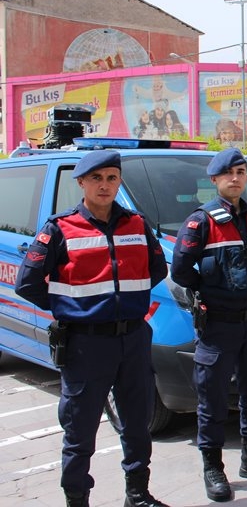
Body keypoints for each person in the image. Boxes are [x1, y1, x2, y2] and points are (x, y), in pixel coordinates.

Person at [15, 150, 169, 507]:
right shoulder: (60, 228)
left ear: (119, 182)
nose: (104, 185)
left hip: (133, 337)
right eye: (96, 178)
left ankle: (138, 494)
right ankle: (77, 498)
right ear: (81, 182)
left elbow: (157, 270)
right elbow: (28, 284)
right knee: (80, 428)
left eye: (112, 178)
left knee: (137, 421)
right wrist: (72, 308)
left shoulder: (136, 224)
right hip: (86, 344)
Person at [171, 148, 247, 501]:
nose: (235, 178)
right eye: (228, 173)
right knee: (213, 398)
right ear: (215, 179)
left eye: (241, 172)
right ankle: (213, 466)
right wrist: (210, 293)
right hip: (219, 324)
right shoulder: (201, 222)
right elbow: (180, 271)